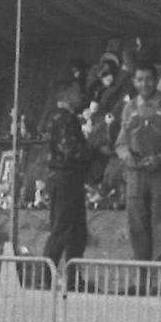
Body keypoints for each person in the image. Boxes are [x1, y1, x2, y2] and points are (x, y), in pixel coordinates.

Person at [114, 62, 161, 264]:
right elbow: (120, 143)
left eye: (148, 79)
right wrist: (126, 155)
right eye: (139, 79)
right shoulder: (129, 108)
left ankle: (160, 282)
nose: (144, 84)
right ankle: (141, 281)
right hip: (136, 174)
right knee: (137, 227)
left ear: (156, 80)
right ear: (133, 81)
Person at [41, 80, 92, 267]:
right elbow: (70, 149)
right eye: (77, 91)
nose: (81, 96)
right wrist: (91, 149)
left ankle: (69, 278)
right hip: (66, 178)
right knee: (63, 229)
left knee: (75, 231)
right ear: (66, 94)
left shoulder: (55, 117)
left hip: (64, 178)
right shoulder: (64, 118)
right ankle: (47, 276)